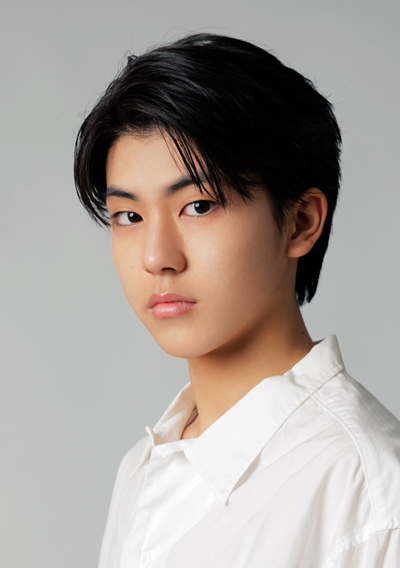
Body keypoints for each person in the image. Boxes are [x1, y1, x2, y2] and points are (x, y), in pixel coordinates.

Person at [74, 33, 400, 568]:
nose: (156, 257)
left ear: (301, 221)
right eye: (129, 216)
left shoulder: (369, 493)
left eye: (199, 206)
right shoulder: (142, 469)